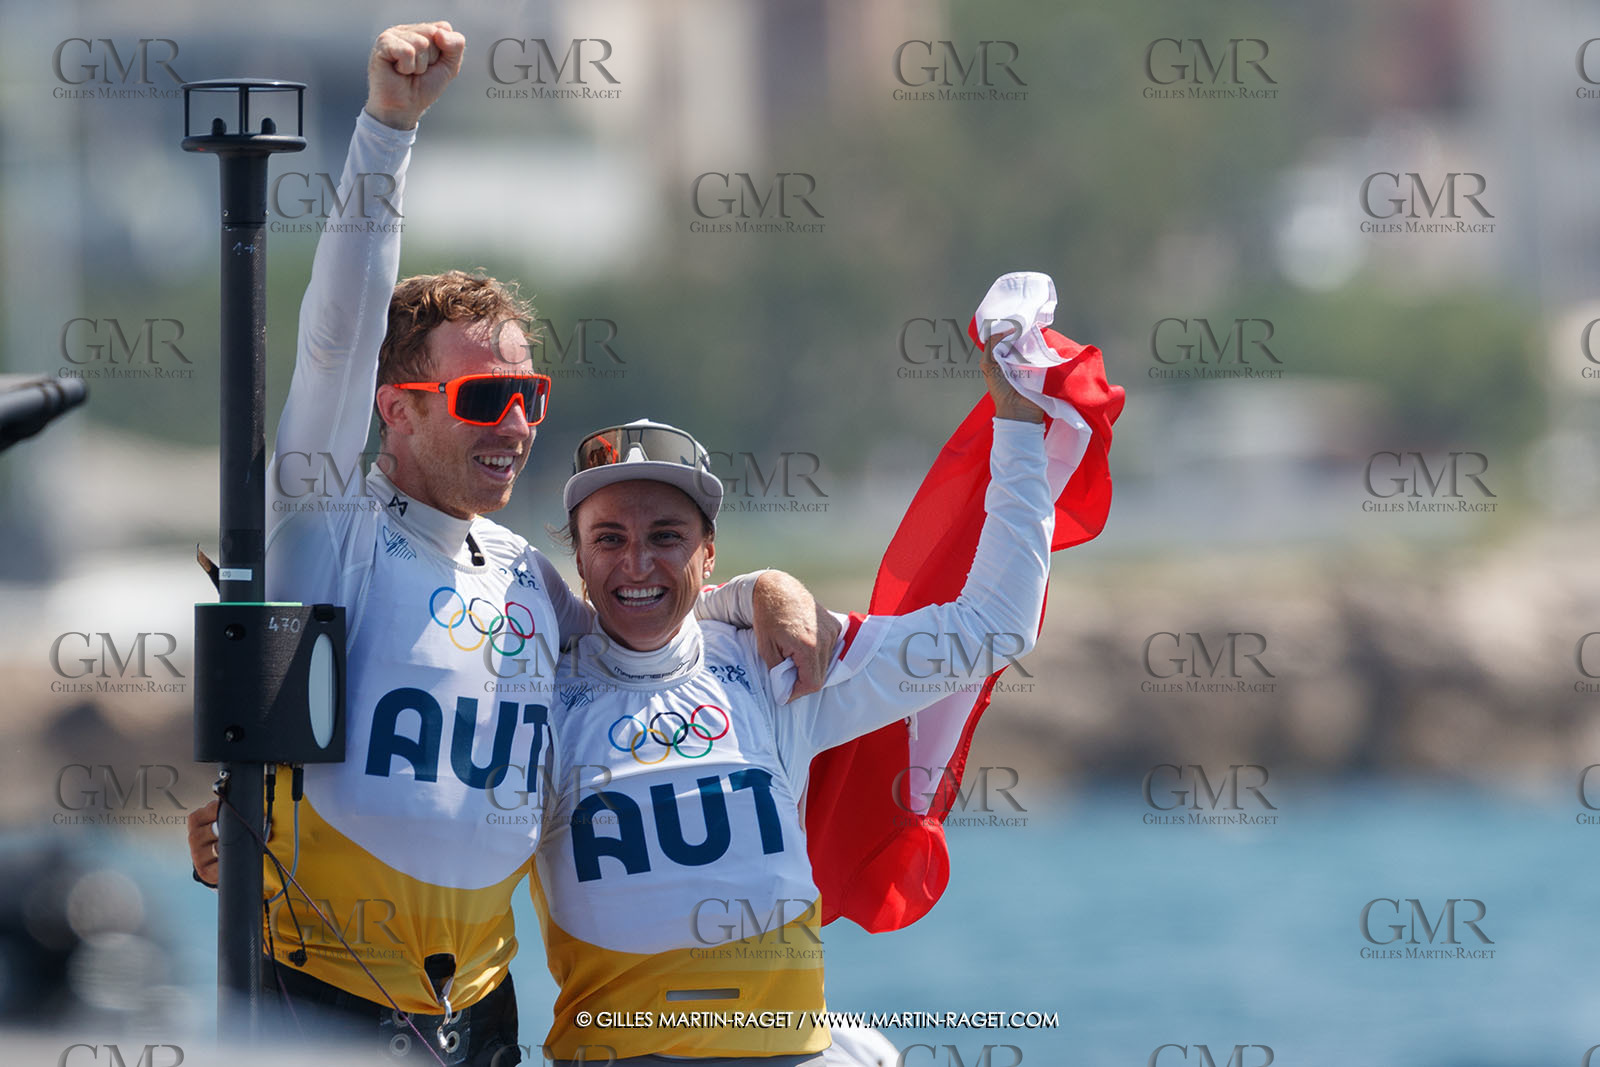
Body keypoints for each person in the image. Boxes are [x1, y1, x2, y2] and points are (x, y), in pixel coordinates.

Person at [185, 22, 833, 1066]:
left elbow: (645, 624)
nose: (517, 423)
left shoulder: (528, 574)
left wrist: (767, 586)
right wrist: (389, 132)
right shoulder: (326, 526)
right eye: (484, 396)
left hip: (481, 1008)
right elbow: (334, 338)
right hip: (319, 986)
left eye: (529, 394)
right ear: (396, 410)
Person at [528, 331, 1053, 1066]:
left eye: (667, 535)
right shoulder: (533, 694)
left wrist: (1020, 425)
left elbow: (991, 626)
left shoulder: (777, 662)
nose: (637, 562)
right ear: (577, 559)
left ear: (708, 552)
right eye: (608, 538)